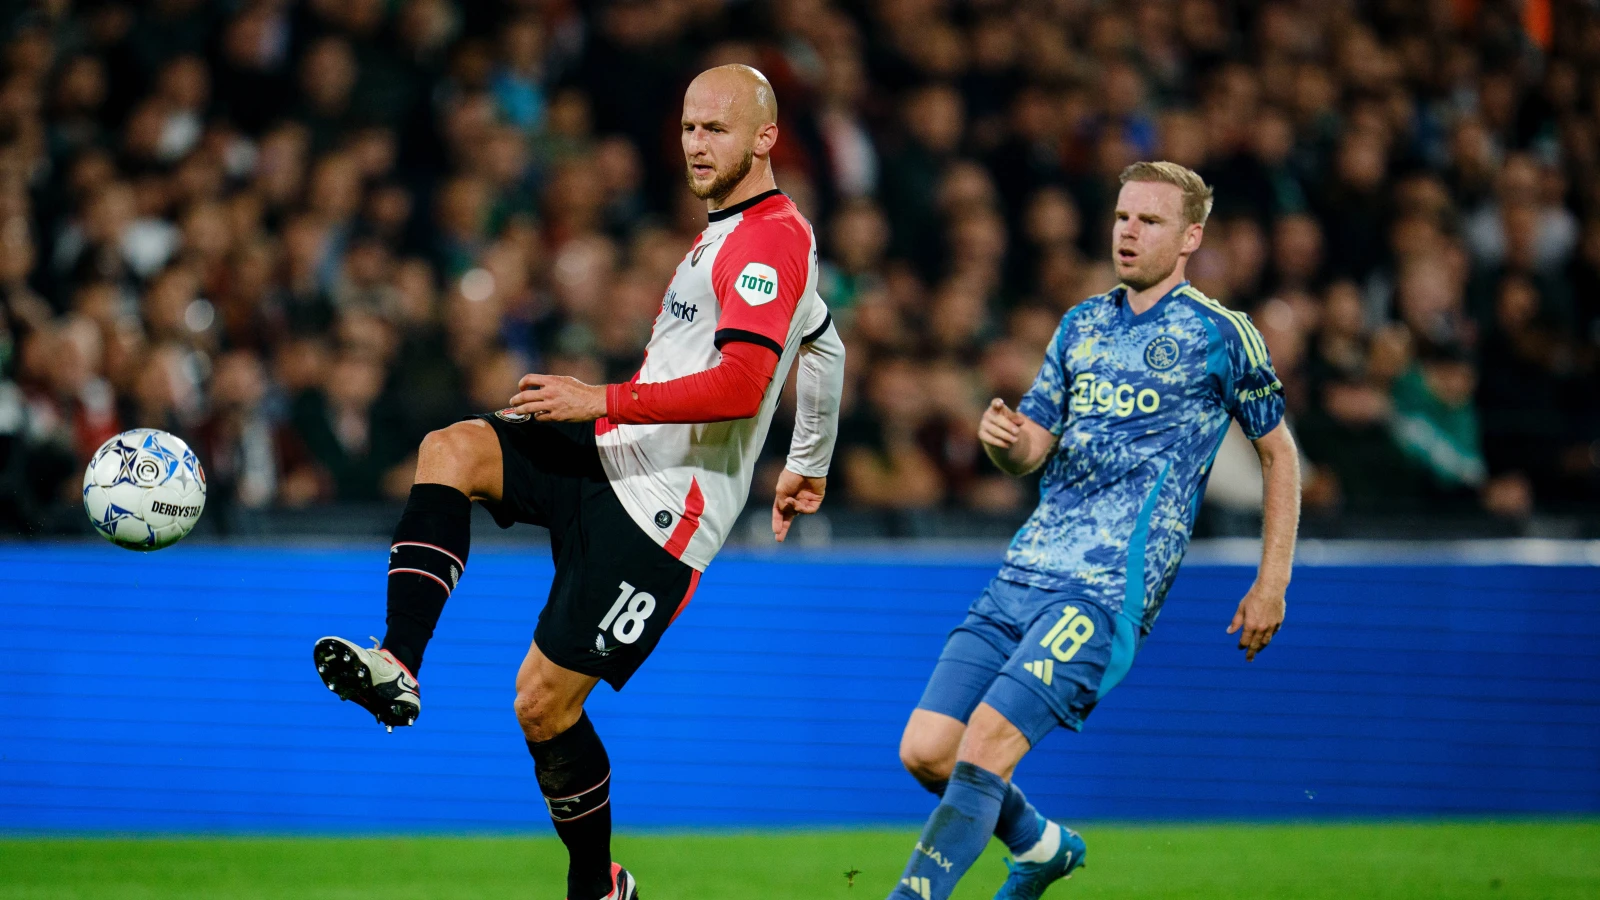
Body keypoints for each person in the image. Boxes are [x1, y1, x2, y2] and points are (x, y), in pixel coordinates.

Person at [312, 65, 845, 900]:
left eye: (716, 130)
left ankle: (597, 885)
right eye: (688, 127)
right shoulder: (734, 230)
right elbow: (826, 343)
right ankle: (398, 661)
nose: (695, 145)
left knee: (541, 707)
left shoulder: (769, 239)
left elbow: (746, 383)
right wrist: (808, 460)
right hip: (610, 453)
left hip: (666, 514)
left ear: (765, 138)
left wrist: (601, 395)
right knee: (452, 448)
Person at [887, 162, 1300, 900]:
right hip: (1024, 573)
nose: (1129, 232)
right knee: (926, 752)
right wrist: (1002, 440)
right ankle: (1042, 848)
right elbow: (1033, 448)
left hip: (1104, 593)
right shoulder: (1081, 323)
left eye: (1149, 220)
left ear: (1189, 238)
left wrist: (1272, 583)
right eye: (1121, 217)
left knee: (984, 749)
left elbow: (1280, 453)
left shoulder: (1222, 335)